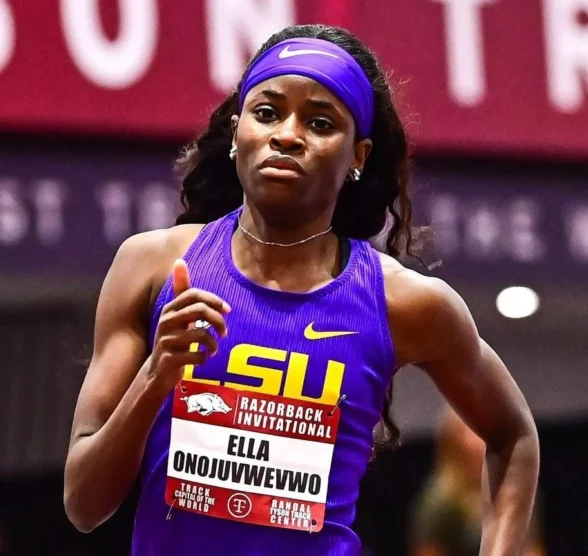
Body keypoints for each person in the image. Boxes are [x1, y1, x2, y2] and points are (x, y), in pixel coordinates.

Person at [64, 24, 540, 555]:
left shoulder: (403, 302)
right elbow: (84, 505)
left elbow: (513, 436)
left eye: (319, 123)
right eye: (267, 112)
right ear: (237, 131)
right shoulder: (152, 267)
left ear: (358, 155)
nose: (288, 135)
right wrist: (156, 375)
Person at [409, 407, 545, 556]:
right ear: (454, 441)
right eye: (472, 431)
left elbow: (531, 548)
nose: (481, 440)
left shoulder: (517, 486)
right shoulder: (440, 502)